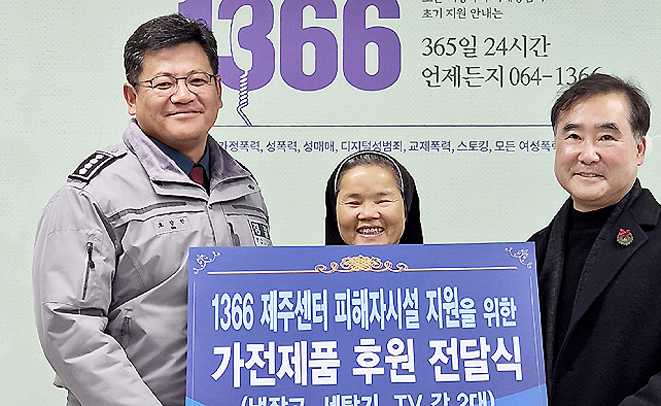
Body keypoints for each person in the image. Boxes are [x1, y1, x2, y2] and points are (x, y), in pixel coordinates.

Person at [32, 14, 272, 406]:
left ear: (219, 91)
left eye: (197, 80)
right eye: (163, 83)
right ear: (131, 98)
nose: (183, 95)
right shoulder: (92, 195)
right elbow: (70, 330)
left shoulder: (243, 187)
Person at [529, 73, 661, 405]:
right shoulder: (530, 254)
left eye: (606, 137)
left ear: (639, 149)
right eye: (573, 136)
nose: (588, 154)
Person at [325, 150, 423, 245]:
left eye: (382, 201)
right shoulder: (314, 258)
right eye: (353, 203)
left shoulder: (432, 257)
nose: (368, 214)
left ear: (405, 209)